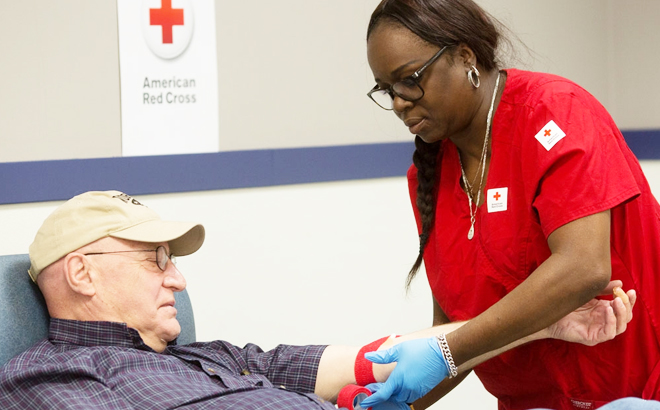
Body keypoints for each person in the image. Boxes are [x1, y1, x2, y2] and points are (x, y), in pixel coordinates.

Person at [0, 190, 633, 409]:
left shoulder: (209, 356)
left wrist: (545, 324)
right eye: (155, 260)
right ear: (80, 273)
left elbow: (377, 360)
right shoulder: (49, 378)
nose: (178, 281)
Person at [359, 0, 660, 409]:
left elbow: (584, 268)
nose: (398, 102)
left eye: (409, 80)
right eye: (386, 89)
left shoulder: (553, 113)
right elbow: (454, 330)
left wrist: (448, 351)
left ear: (465, 56)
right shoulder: (430, 175)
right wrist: (396, 401)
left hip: (636, 390)